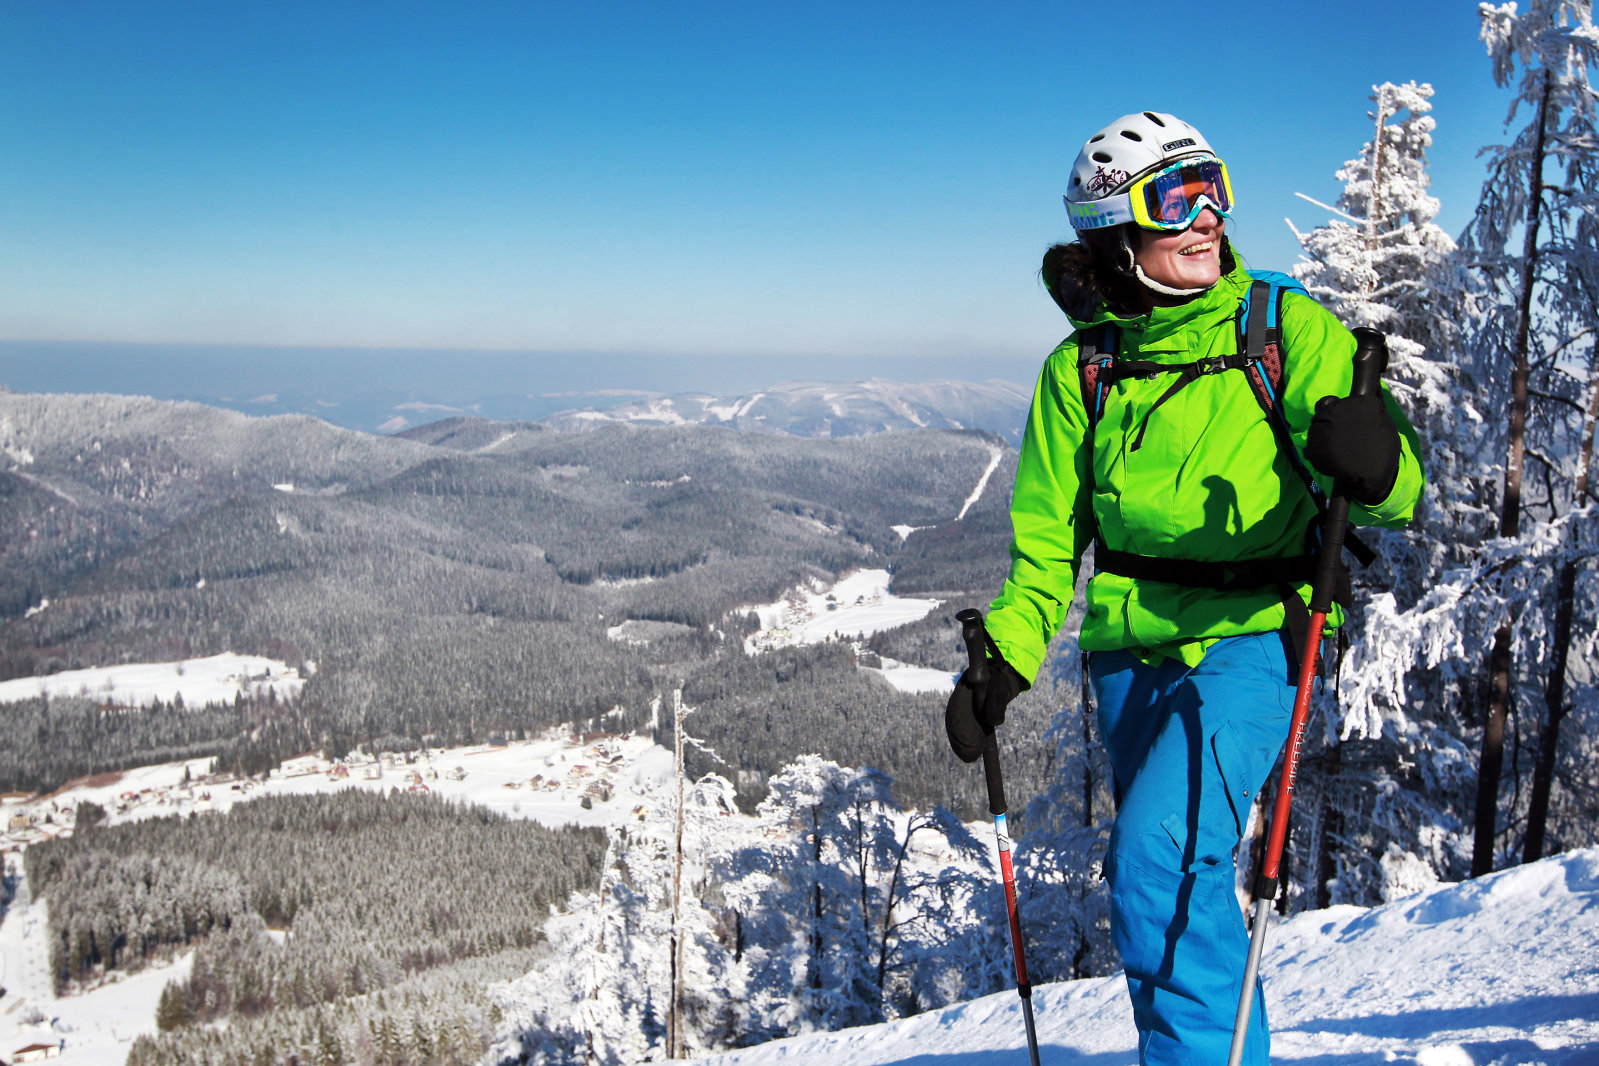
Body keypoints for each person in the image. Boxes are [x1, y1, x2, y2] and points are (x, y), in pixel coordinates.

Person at [945, 112, 1425, 1065]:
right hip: (1129, 654)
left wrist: (1376, 468)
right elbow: (1046, 546)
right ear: (1114, 231)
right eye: (1177, 197)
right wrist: (1004, 657)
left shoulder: (1280, 328)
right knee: (1171, 886)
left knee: (1157, 863)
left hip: (1255, 637)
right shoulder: (1081, 371)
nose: (1207, 216)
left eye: (1215, 185)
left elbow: (1391, 494)